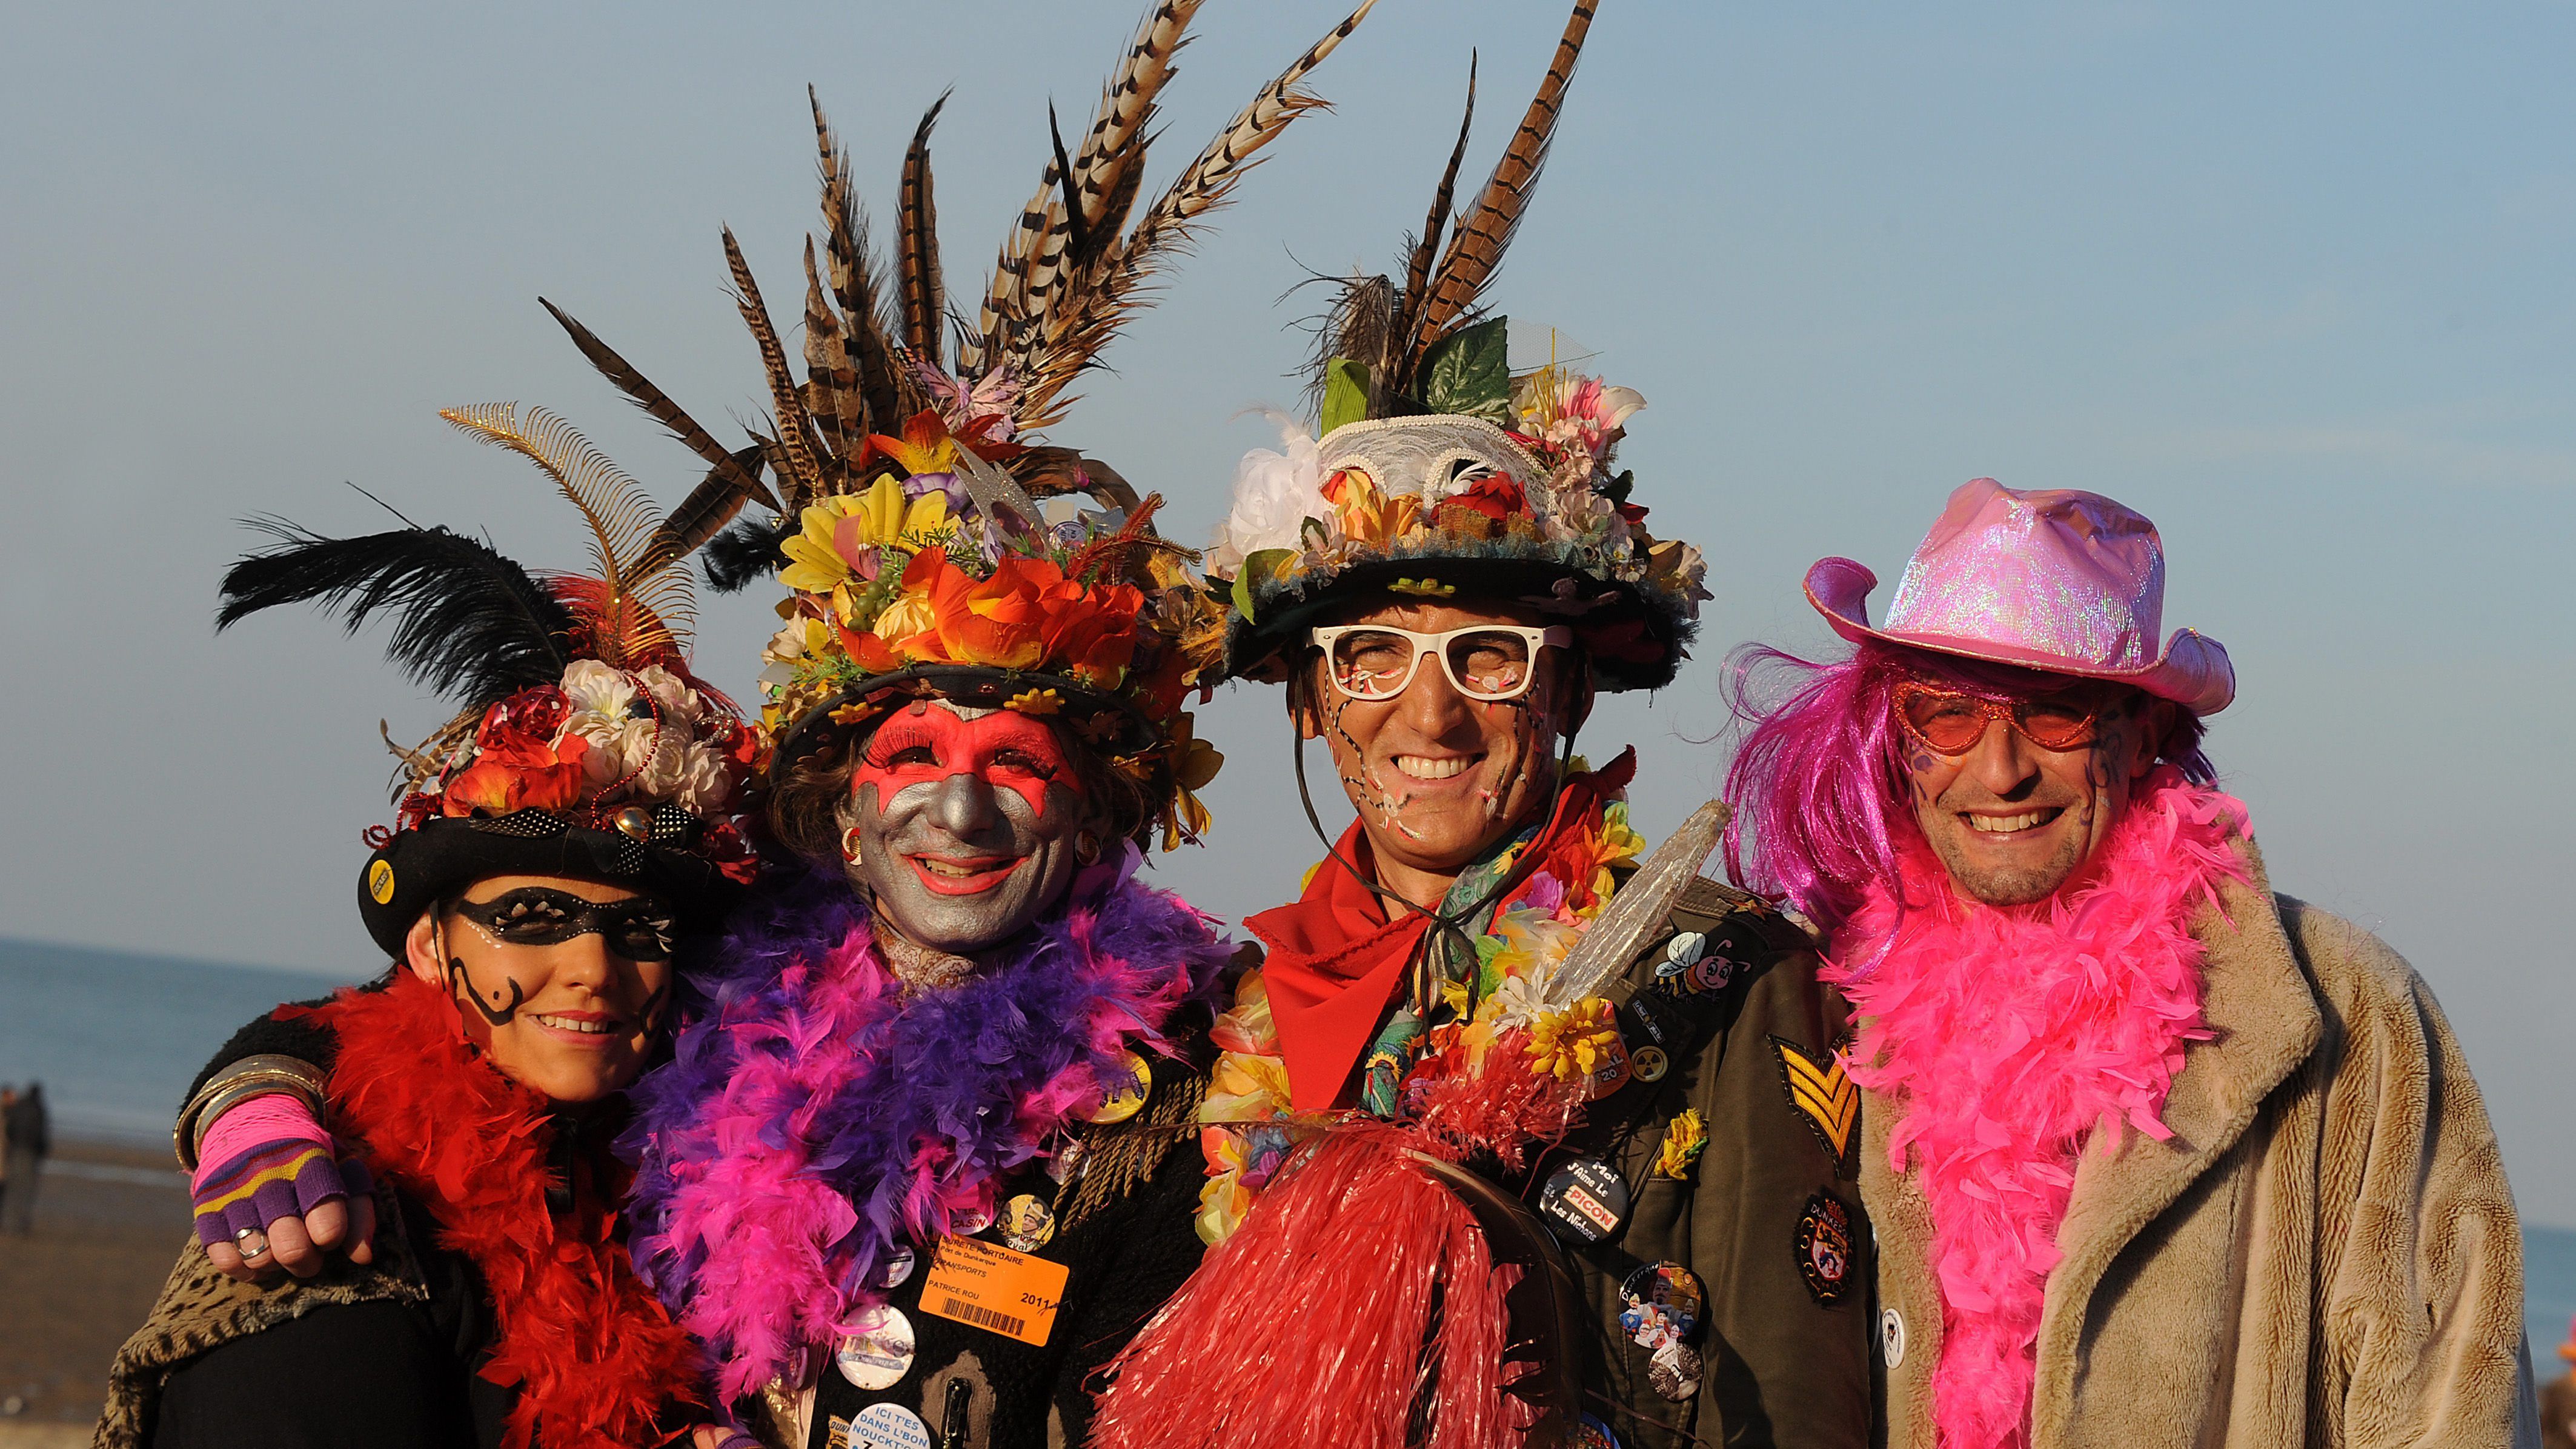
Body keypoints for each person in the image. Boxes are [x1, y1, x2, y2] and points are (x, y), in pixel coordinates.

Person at [1093, 8, 1873, 1448]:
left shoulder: (1718, 972)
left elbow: (1797, 1397)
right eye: (1370, 656)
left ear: (1571, 690)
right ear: (1312, 698)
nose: (1429, 712)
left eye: (1491, 656)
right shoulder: (1230, 1015)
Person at [1723, 478, 2535, 1448]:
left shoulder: (2344, 1008)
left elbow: (2452, 1401)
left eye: (2056, 713)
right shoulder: (1828, 1007)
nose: (2000, 769)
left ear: (2145, 730)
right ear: (1897, 737)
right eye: (1947, 715)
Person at [95, 396, 767, 1448]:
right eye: (534, 917)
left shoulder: (665, 1187)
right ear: (427, 948)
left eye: (638, 928)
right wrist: (254, 1100)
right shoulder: (338, 1238)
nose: (593, 967)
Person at [1, 1082, 44, 1234]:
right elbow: (40, 1135)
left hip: (14, 1153)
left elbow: (11, 1131)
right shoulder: (36, 1109)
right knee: (22, 1189)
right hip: (23, 1154)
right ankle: (17, 1223)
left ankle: (11, 1222)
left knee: (12, 1188)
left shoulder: (17, 1109)